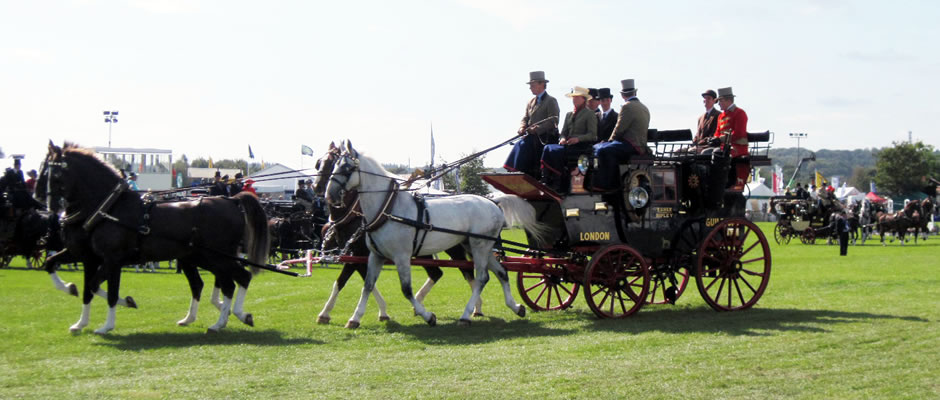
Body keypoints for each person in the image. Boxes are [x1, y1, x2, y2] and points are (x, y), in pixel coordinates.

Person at [591, 79, 650, 191]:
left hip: (631, 145)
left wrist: (608, 142)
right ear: (635, 93)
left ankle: (606, 184)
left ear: (623, 95)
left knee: (601, 149)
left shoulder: (627, 107)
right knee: (605, 149)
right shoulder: (644, 108)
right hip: (641, 146)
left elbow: (619, 129)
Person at [539, 86, 598, 193]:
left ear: (583, 99)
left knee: (555, 151)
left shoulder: (589, 114)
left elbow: (593, 135)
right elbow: (563, 133)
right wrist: (562, 139)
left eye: (577, 97)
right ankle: (546, 179)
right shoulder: (569, 115)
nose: (574, 99)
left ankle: (557, 182)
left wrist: (578, 139)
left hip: (581, 147)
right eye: (573, 97)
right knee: (548, 148)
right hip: (568, 145)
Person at [504, 71, 560, 178]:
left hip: (544, 138)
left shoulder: (551, 101)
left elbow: (554, 121)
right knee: (520, 144)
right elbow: (525, 118)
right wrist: (522, 127)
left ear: (542, 84)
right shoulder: (530, 102)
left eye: (533, 85)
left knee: (523, 145)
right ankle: (515, 171)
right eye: (530, 86)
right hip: (531, 136)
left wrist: (537, 129)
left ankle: (523, 172)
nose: (530, 88)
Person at [711, 87, 749, 188]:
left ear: (728, 100)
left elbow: (739, 134)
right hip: (723, 147)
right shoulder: (721, 116)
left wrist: (720, 139)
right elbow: (717, 133)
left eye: (720, 101)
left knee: (717, 154)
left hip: (737, 148)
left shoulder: (739, 113)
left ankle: (725, 181)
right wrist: (712, 140)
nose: (718, 104)